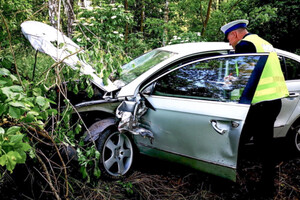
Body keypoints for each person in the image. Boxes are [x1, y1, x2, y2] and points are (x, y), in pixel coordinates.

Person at [220, 19, 289, 194]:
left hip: (259, 104)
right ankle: (267, 186)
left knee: (235, 141)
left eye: (228, 38)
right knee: (264, 145)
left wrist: (229, 82)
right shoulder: (263, 43)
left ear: (234, 34)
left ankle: (227, 180)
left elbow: (246, 77)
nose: (229, 42)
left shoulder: (245, 45)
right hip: (274, 101)